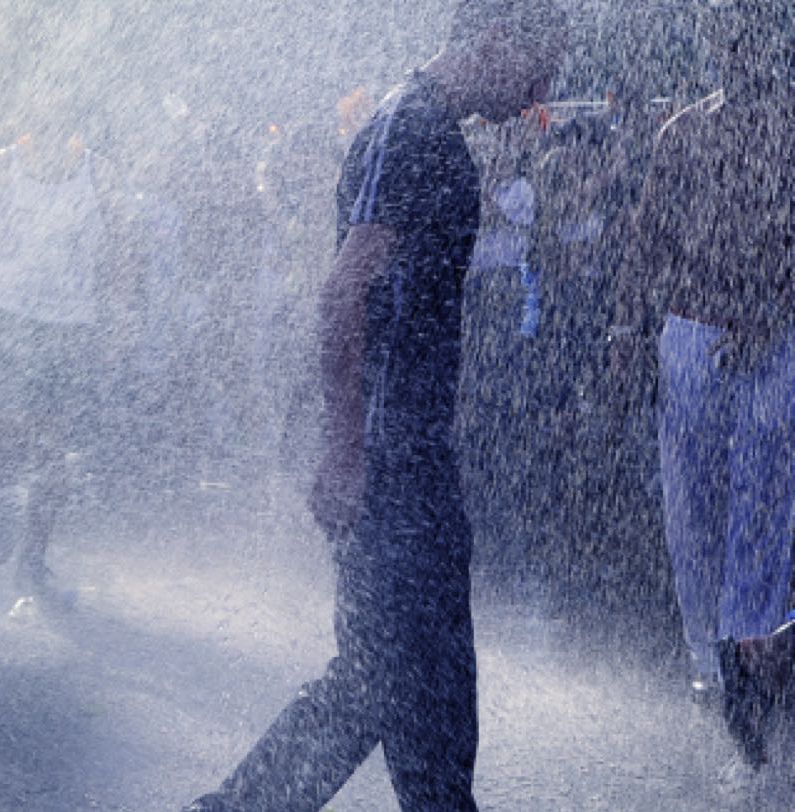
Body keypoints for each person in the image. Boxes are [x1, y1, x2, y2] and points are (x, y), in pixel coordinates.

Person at [183, 2, 566, 810]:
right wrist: (345, 452)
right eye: (541, 62)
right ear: (495, 38)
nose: (546, 85)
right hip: (387, 464)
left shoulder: (433, 129)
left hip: (414, 460)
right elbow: (344, 290)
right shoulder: (411, 127)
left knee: (398, 686)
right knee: (397, 689)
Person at [609, 0, 794, 767]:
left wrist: (772, 308)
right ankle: (720, 673)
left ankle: (756, 664)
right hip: (691, 339)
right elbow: (647, 240)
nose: (733, 48)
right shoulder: (683, 130)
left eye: (748, 33)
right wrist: (624, 332)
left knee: (765, 516)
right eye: (723, 33)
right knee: (694, 520)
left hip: (778, 346)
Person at [0, 108, 138, 591]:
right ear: (25, 128)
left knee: (53, 445)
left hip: (71, 326)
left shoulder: (99, 174)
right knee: (7, 425)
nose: (48, 137)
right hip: (10, 316)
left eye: (60, 128)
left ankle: (33, 554)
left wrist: (119, 319)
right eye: (38, 127)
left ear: (73, 130)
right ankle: (0, 503)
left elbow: (122, 251)